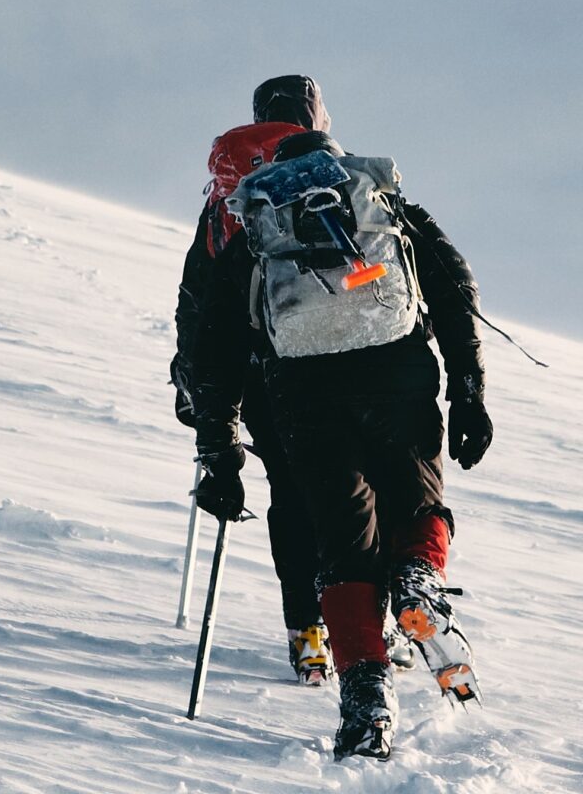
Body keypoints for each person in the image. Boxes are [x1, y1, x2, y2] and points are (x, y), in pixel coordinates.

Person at [178, 81, 494, 762]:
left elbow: (215, 348)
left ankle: (364, 698)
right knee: (416, 501)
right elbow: (451, 286)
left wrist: (220, 452)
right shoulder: (378, 203)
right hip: (398, 373)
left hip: (302, 392)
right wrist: (468, 388)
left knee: (344, 544)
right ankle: (417, 577)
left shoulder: (252, 221)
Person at [172, 75, 334, 684]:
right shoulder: (333, 174)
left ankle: (307, 631)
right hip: (330, 361)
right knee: (352, 493)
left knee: (290, 496)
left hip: (253, 372)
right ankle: (366, 621)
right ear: (315, 114)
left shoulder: (227, 191)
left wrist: (193, 379)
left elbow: (199, 296)